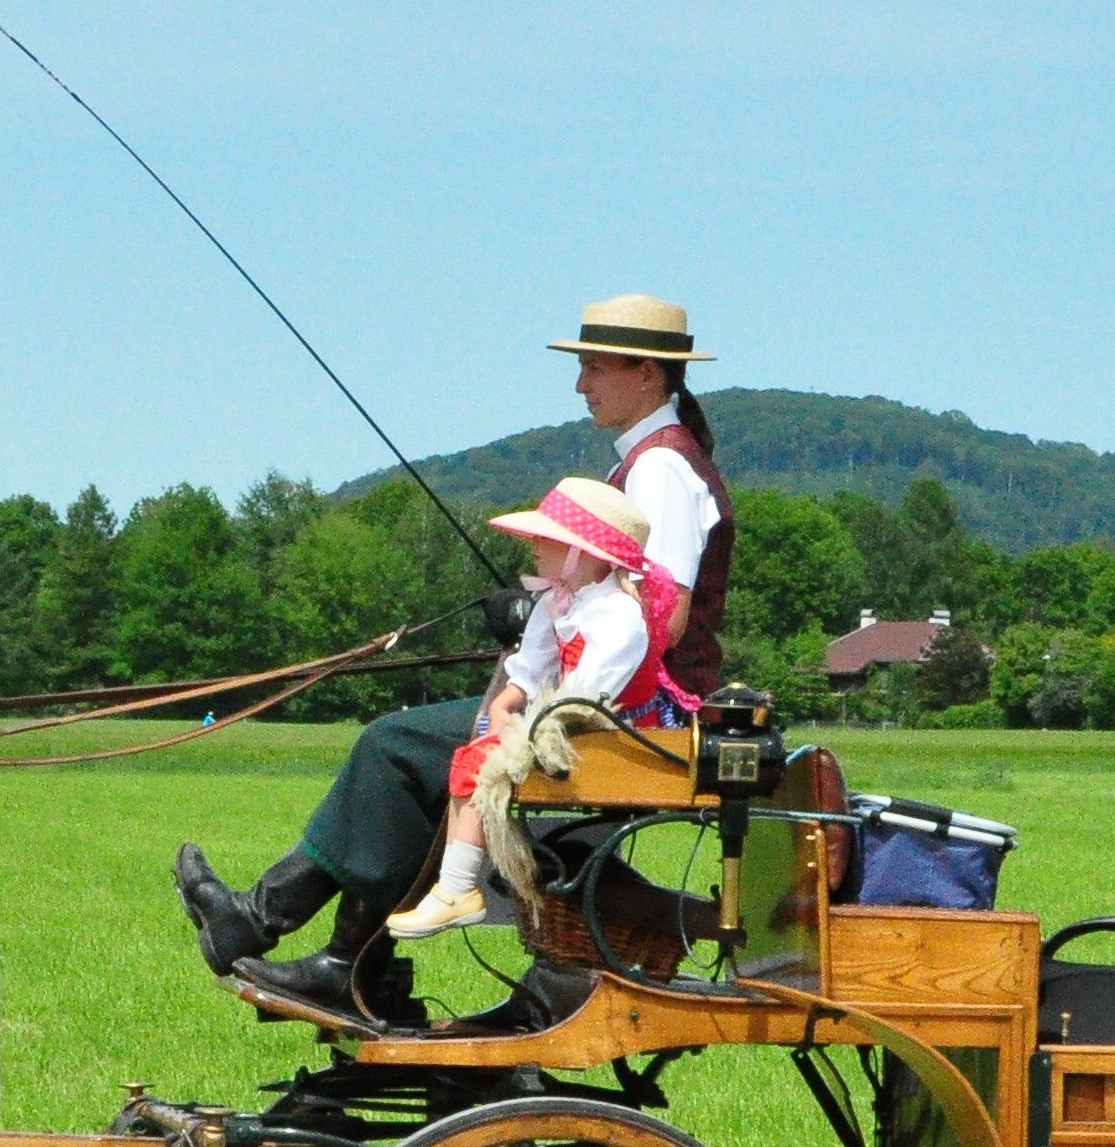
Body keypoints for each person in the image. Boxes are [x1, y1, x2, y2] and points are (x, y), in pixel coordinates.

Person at [175, 293, 735, 1017]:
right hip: (600, 698)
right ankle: (320, 948)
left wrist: (548, 614)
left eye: (594, 367)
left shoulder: (661, 469)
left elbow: (665, 610)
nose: (580, 384)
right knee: (415, 748)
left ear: (649, 374)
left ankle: (299, 936)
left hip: (624, 714)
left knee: (394, 744)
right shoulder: (651, 461)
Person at [382, 475, 691, 941]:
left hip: (618, 734)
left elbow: (588, 699)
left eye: (547, 540)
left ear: (584, 554)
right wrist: (508, 701)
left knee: (479, 764)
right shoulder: (557, 603)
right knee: (477, 752)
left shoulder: (619, 617)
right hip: (569, 723)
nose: (533, 547)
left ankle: (457, 889)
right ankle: (457, 886)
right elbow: (531, 669)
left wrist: (524, 734)